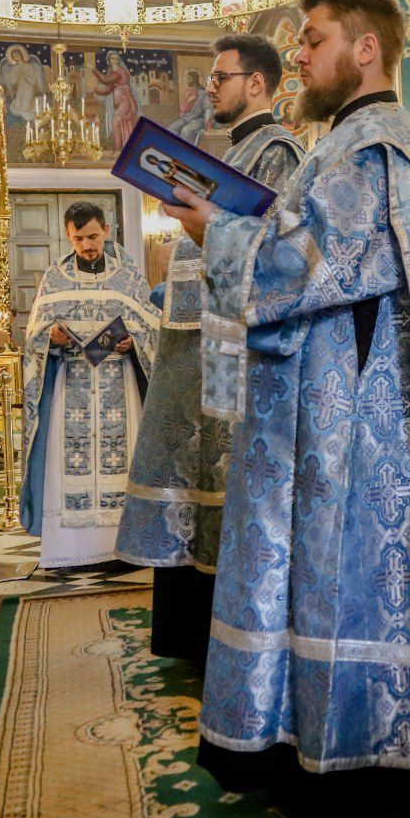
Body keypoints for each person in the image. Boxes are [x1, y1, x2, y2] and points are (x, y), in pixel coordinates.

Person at [163, 0, 410, 813]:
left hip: (355, 417)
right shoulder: (346, 142)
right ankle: (307, 736)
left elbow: (313, 264)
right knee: (318, 574)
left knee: (342, 577)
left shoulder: (373, 148)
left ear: (364, 50)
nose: (297, 55)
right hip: (329, 400)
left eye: (312, 39)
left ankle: (359, 756)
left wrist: (216, 232)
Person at [116, 34, 303, 663]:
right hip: (197, 347)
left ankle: (226, 636)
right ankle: (190, 633)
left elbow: (280, 252)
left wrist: (211, 226)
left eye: (220, 78)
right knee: (188, 474)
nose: (210, 90)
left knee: (221, 479)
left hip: (231, 353)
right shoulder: (237, 151)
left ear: (257, 83)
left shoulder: (278, 152)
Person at [19, 202, 159, 569]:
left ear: (106, 230)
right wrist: (51, 337)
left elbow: (152, 327)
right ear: (68, 236)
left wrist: (133, 342)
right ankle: (70, 549)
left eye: (93, 236)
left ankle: (122, 547)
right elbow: (33, 335)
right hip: (71, 388)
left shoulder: (128, 277)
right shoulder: (54, 278)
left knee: (123, 463)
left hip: (119, 386)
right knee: (68, 467)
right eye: (78, 239)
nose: (87, 245)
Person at [169, 70, 214, 143]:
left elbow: (208, 108)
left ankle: (185, 148)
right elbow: (184, 108)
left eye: (189, 78)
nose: (187, 80)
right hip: (187, 117)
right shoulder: (189, 91)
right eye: (187, 78)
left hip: (199, 119)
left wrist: (207, 123)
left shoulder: (202, 92)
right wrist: (187, 99)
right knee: (172, 128)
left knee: (185, 130)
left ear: (195, 79)